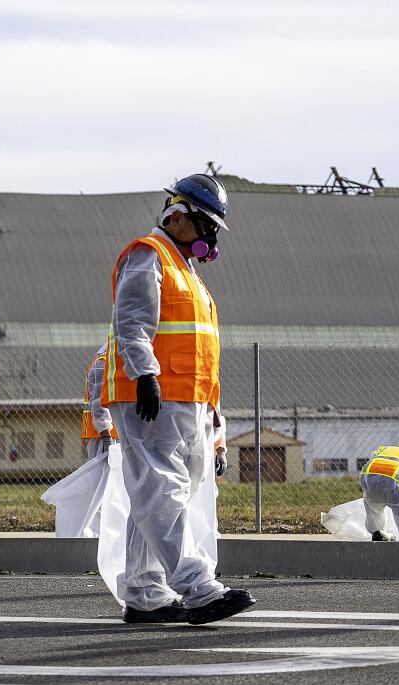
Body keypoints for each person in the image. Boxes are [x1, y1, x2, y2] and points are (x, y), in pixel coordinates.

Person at [101, 174, 255, 625]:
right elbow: (132, 323)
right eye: (205, 224)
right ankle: (198, 587)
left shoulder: (189, 274)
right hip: (151, 398)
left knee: (161, 497)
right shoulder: (148, 254)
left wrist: (216, 425)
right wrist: (145, 374)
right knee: (161, 492)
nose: (209, 236)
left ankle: (145, 594)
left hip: (188, 404)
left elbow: (203, 353)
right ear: (177, 215)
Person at [359, 443, 399, 542]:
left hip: (368, 476)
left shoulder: (388, 450)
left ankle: (378, 532)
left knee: (373, 506)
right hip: (393, 479)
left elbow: (372, 456)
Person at [82, 343, 118, 459]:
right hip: (105, 438)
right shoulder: (102, 364)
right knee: (106, 475)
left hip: (114, 436)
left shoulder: (109, 362)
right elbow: (98, 404)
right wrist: (107, 438)